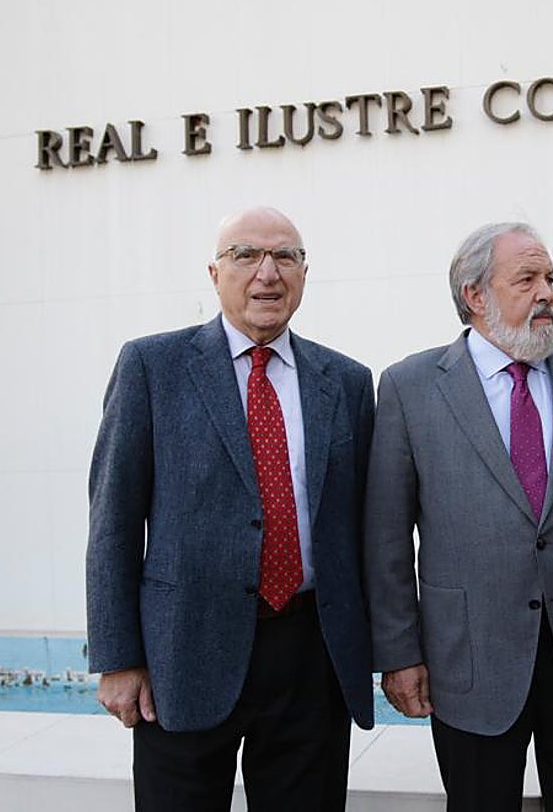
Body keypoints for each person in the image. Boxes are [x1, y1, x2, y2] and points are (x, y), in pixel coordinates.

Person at [364, 223, 553, 812]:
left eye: (550, 277)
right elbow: (387, 540)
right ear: (475, 296)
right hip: (471, 664)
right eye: (526, 278)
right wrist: (399, 655)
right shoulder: (411, 387)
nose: (546, 292)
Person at [86, 206, 375, 812]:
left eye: (285, 257)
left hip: (310, 656)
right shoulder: (152, 367)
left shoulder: (346, 381)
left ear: (304, 273)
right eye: (247, 256)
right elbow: (112, 521)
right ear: (215, 274)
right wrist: (117, 659)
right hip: (183, 655)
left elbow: (362, 528)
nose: (267, 273)